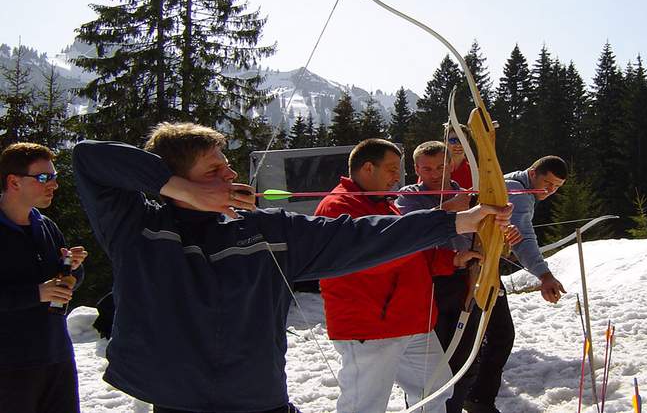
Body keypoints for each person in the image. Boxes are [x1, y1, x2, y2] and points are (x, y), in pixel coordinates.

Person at [71, 123, 512, 413]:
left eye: (227, 166)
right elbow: (89, 157)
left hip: (259, 398)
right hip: (176, 400)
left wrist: (456, 221)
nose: (229, 175)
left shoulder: (268, 229)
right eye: (214, 169)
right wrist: (181, 190)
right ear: (177, 178)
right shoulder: (138, 228)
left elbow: (361, 237)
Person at [314, 139, 482, 413]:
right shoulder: (339, 206)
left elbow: (412, 249)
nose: (397, 177)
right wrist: (445, 214)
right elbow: (373, 255)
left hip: (411, 320)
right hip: (371, 324)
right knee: (364, 405)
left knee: (435, 390)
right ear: (368, 167)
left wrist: (453, 258)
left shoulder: (382, 203)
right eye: (392, 168)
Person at [396, 141, 522, 413]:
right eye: (427, 168)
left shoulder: (469, 196)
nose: (435, 173)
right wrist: (450, 208)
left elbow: (488, 235)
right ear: (416, 168)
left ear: (451, 166)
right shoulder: (409, 196)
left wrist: (504, 236)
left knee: (466, 360)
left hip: (468, 279)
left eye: (441, 166)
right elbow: (406, 231)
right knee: (431, 364)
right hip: (430, 285)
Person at [463, 156, 569, 413]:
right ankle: (477, 400)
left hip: (475, 265)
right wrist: (544, 275)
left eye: (556, 187)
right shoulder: (519, 193)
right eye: (547, 183)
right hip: (477, 269)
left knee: (480, 334)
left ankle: (469, 396)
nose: (549, 191)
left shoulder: (510, 183)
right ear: (533, 173)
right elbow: (524, 239)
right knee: (498, 335)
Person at [0, 143, 88, 413]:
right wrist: (37, 293)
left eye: (54, 176)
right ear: (13, 181)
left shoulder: (46, 226)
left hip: (55, 355)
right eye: (43, 178)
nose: (54, 184)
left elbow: (63, 285)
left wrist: (72, 268)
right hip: (9, 363)